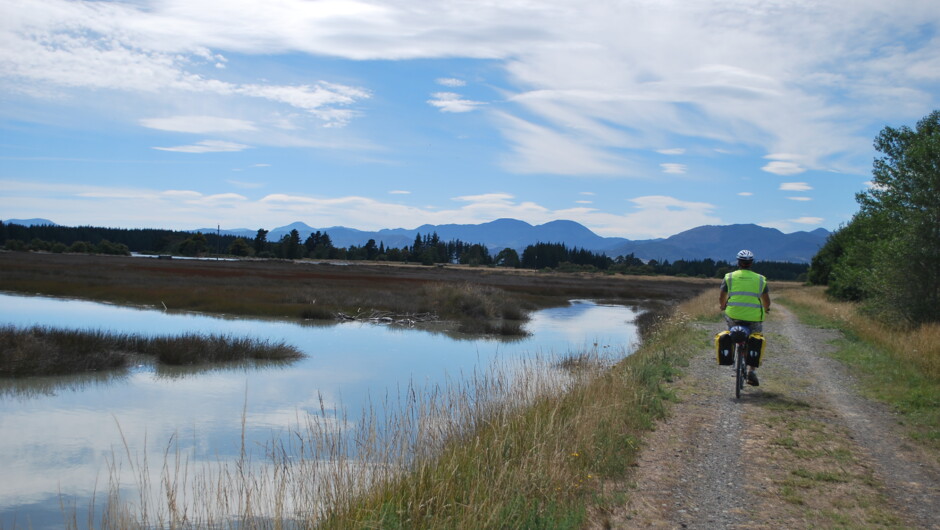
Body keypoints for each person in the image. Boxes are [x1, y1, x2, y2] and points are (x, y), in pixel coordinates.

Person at [719, 249, 771, 386]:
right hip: (754, 317)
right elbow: (766, 300)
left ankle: (733, 354)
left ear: (738, 262)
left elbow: (722, 296)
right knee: (755, 338)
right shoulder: (760, 279)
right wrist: (766, 309)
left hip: (733, 315)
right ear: (751, 263)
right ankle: (751, 371)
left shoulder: (729, 277)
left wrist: (723, 305)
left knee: (732, 333)